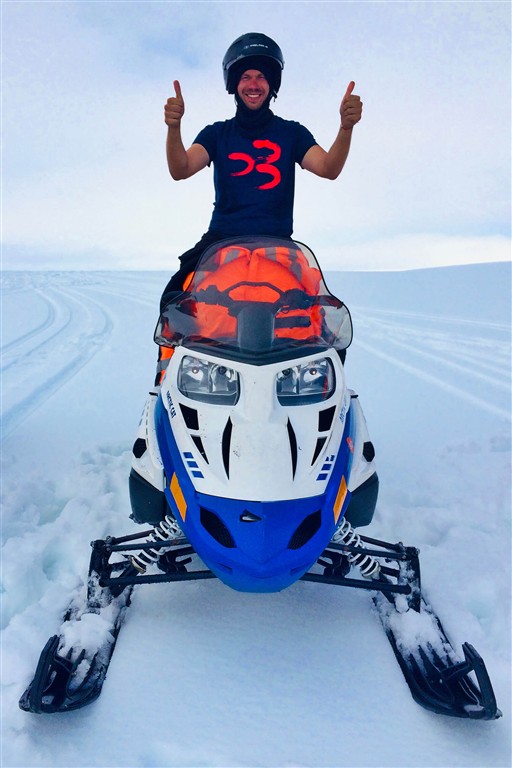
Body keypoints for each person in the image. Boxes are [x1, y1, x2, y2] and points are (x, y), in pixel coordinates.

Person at [155, 31, 362, 384]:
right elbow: (181, 168)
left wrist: (345, 128)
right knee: (174, 300)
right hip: (220, 241)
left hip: (278, 245)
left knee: (321, 318)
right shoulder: (217, 134)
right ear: (234, 84)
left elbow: (328, 168)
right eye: (246, 76)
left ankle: (324, 387)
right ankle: (166, 383)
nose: (254, 84)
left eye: (261, 76)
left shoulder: (292, 133)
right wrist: (174, 128)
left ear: (272, 84)